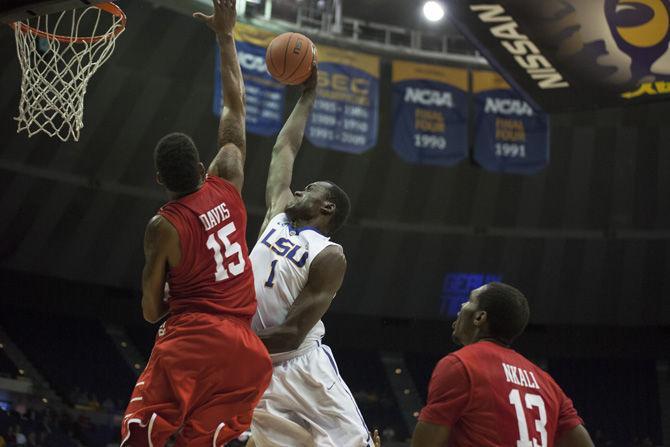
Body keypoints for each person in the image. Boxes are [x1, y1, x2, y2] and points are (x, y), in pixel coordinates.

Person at [120, 0, 272, 445]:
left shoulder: (163, 225)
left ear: (159, 179)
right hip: (246, 352)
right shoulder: (227, 177)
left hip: (194, 339)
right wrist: (226, 38)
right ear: (203, 165)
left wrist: (174, 295)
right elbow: (235, 109)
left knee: (140, 434)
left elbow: (150, 311)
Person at [247, 68, 374, 446]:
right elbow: (283, 148)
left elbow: (291, 333)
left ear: (327, 206)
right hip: (255, 365)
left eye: (310, 189)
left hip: (300, 363)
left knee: (355, 444)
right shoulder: (278, 215)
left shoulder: (329, 255)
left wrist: (231, 345)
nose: (299, 189)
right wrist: (308, 93)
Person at [412, 282, 594, 447]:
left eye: (469, 301)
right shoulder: (547, 383)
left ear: (479, 318)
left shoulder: (460, 365)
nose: (461, 306)